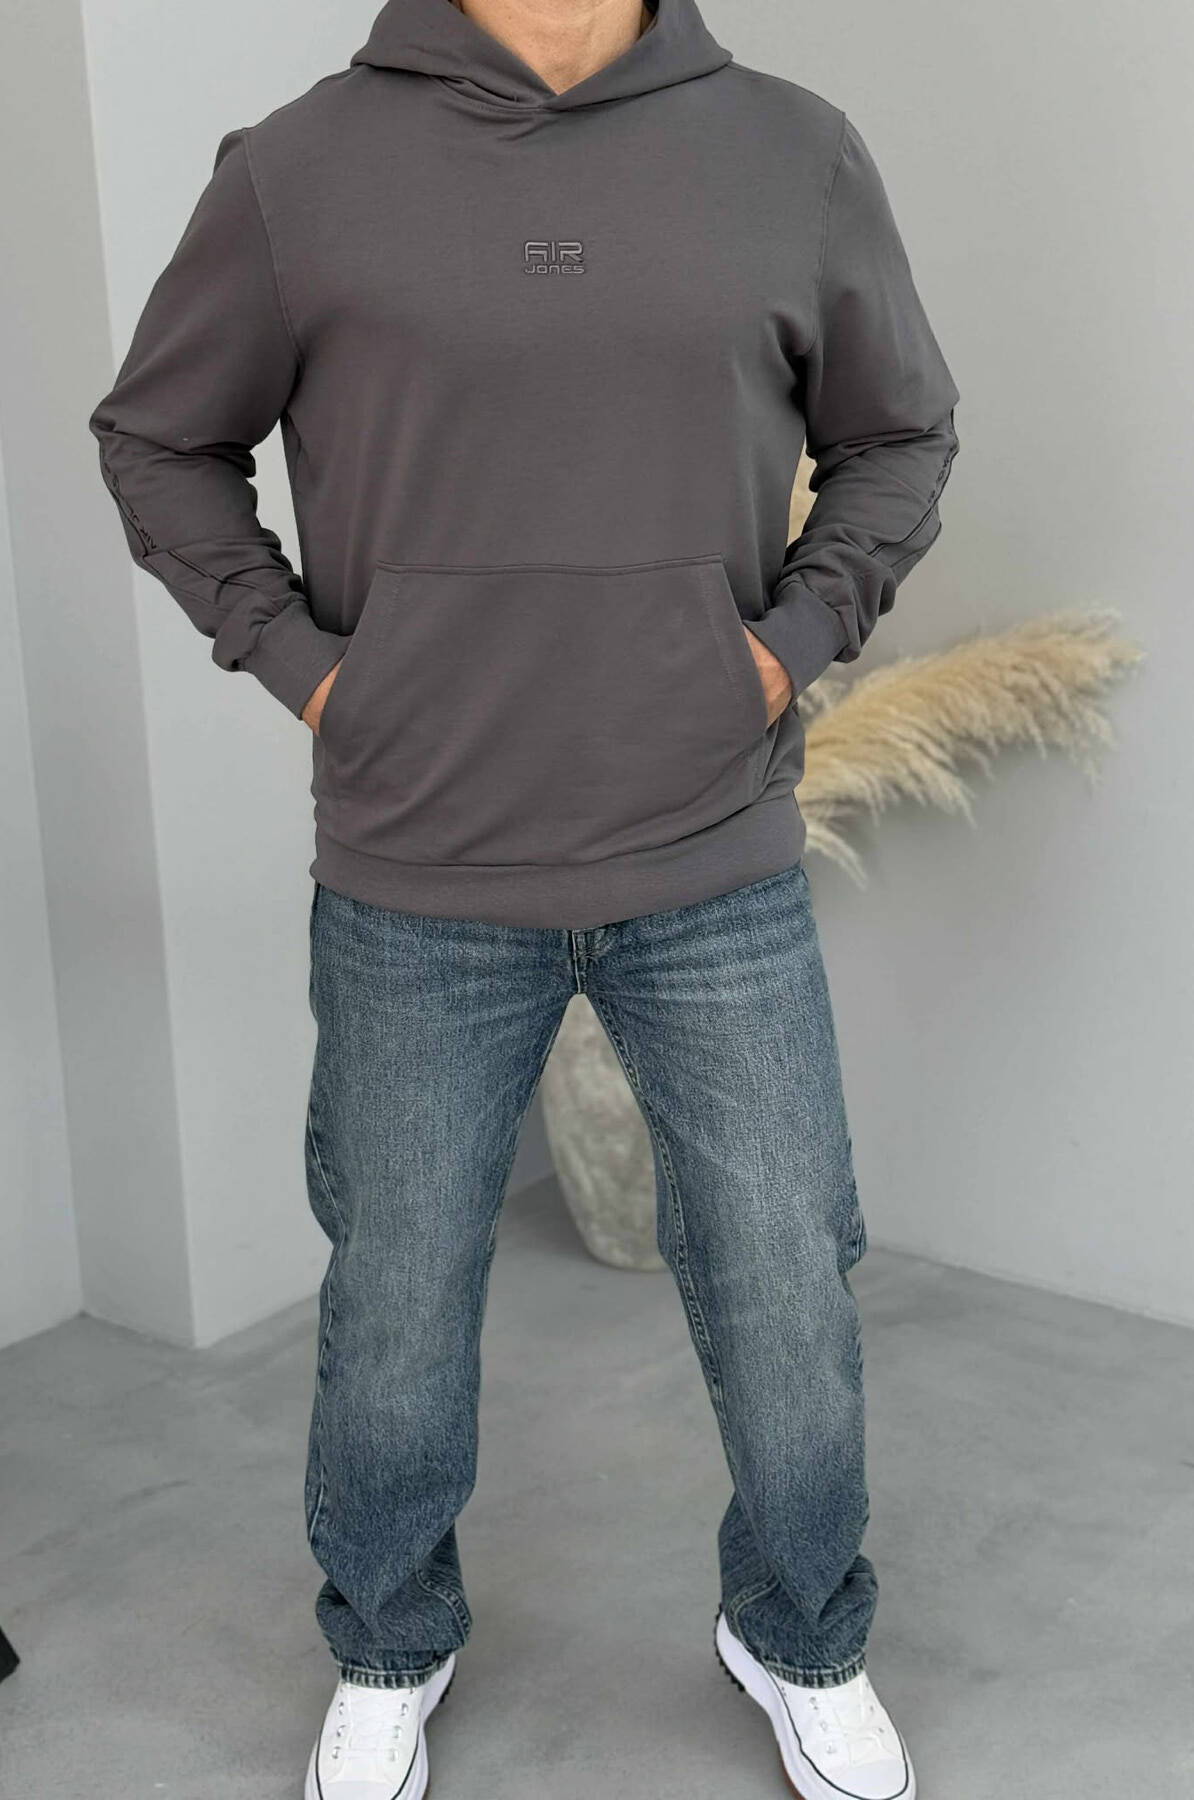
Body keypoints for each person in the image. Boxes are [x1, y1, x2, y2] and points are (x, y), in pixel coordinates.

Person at [89, 0, 960, 1792]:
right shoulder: (300, 170)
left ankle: (801, 1630)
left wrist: (788, 646)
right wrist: (314, 671)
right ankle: (390, 1643)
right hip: (420, 860)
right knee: (398, 1304)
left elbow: (902, 435)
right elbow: (158, 438)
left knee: (789, 1284)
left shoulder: (791, 150)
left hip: (709, 845)